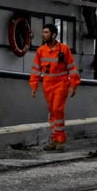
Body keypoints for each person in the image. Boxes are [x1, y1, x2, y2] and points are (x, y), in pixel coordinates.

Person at [29, 23, 81, 151]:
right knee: (52, 112)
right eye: (43, 32)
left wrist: (73, 85)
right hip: (47, 84)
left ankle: (60, 139)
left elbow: (72, 68)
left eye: (46, 32)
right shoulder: (41, 51)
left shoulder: (64, 49)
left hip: (61, 84)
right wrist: (34, 86)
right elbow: (36, 70)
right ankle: (54, 139)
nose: (43, 35)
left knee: (57, 110)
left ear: (53, 35)